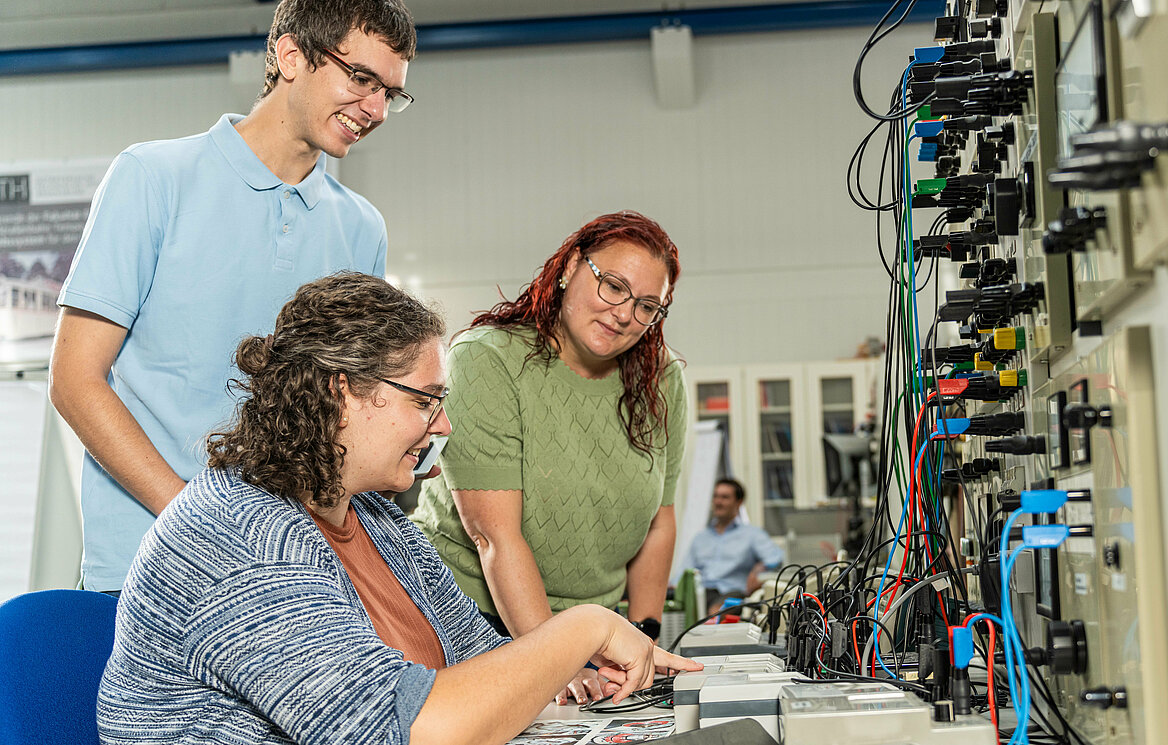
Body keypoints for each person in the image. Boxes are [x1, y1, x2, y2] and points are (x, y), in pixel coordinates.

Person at [97, 273, 699, 745]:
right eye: (425, 401)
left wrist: (568, 679)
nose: (444, 424)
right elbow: (407, 733)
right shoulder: (237, 541)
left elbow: (484, 665)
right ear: (342, 390)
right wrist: (586, 627)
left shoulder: (376, 521)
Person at [50, 0, 417, 593]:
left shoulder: (361, 228)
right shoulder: (152, 177)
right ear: (291, 55)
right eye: (361, 78)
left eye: (390, 93)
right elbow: (74, 379)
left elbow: (348, 415)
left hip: (292, 575)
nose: (374, 109)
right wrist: (194, 525)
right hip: (146, 563)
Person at [411, 211, 686, 705]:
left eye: (648, 305)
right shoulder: (487, 358)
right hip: (468, 620)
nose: (625, 314)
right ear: (569, 268)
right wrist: (554, 657)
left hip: (594, 634)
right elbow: (493, 535)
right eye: (613, 287)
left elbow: (659, 521)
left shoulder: (660, 380)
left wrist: (641, 639)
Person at [684, 478, 785, 613]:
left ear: (739, 502)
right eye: (716, 496)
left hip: (733, 593)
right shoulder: (701, 538)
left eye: (725, 497)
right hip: (702, 593)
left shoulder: (752, 534)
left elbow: (775, 557)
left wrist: (758, 569)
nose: (718, 502)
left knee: (716, 612)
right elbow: (684, 571)